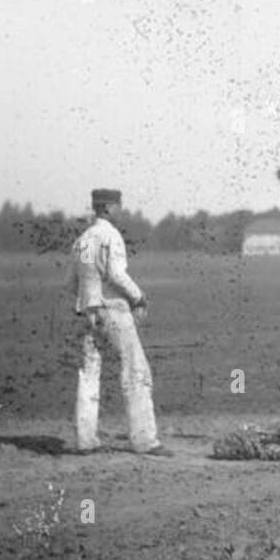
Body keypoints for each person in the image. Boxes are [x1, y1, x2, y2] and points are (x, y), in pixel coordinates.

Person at [69, 188, 161, 454]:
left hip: (87, 311)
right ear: (108, 207)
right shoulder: (110, 236)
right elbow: (116, 274)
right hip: (113, 310)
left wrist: (88, 302)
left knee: (88, 374)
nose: (120, 209)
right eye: (117, 205)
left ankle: (85, 440)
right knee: (136, 371)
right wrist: (138, 298)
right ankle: (144, 440)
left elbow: (70, 282)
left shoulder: (82, 240)